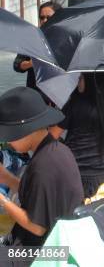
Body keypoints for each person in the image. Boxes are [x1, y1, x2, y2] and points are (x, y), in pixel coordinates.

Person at [0, 87, 84, 254]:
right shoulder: (56, 149)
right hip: (60, 236)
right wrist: (6, 178)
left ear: (27, 131)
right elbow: (36, 192)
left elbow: (37, 227)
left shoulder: (44, 166)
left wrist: (3, 200)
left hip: (48, 250)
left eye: (11, 136)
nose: (8, 143)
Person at [13, 2, 59, 91]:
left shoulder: (66, 37)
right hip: (36, 92)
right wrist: (32, 63)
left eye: (49, 17)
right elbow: (17, 65)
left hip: (60, 91)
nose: (45, 20)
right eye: (42, 18)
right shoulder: (32, 38)